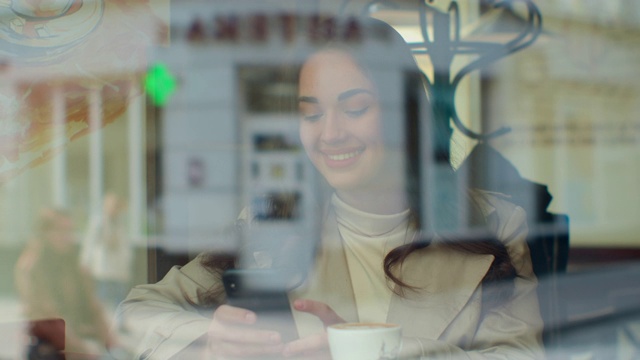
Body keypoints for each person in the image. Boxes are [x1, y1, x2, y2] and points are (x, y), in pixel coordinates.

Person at [116, 16, 544, 359]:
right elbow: (135, 313)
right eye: (311, 114)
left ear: (405, 113)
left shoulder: (493, 222)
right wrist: (210, 337)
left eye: (355, 108)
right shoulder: (275, 219)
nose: (330, 134)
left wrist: (372, 354)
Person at [15, 208, 114, 359]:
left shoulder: (73, 264)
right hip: (48, 348)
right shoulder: (32, 266)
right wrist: (87, 354)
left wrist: (113, 346)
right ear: (44, 233)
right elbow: (49, 317)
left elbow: (93, 307)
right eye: (60, 230)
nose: (67, 236)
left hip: (76, 342)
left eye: (70, 230)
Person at [81, 192, 133, 312]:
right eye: (111, 205)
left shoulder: (122, 222)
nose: (115, 209)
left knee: (119, 297)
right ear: (106, 206)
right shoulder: (98, 222)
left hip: (119, 268)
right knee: (103, 297)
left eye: (117, 206)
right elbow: (90, 242)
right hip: (104, 268)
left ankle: (117, 323)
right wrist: (85, 261)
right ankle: (103, 323)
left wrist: (127, 262)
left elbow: (125, 246)